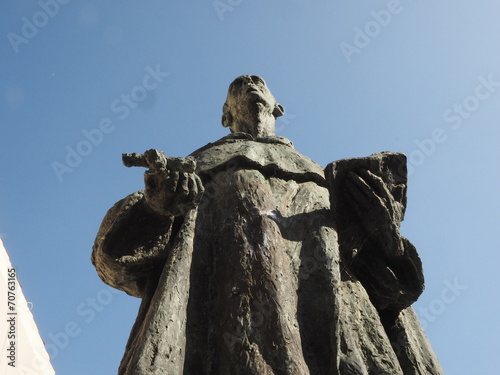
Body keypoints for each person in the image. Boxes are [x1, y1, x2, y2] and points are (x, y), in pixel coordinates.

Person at [92, 75, 443, 374]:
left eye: (258, 82)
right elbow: (112, 261)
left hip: (346, 336)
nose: (250, 83)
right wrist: (155, 209)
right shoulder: (192, 170)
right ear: (225, 114)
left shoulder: (325, 180)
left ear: (278, 107)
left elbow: (390, 296)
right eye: (238, 85)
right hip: (231, 333)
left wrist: (384, 240)